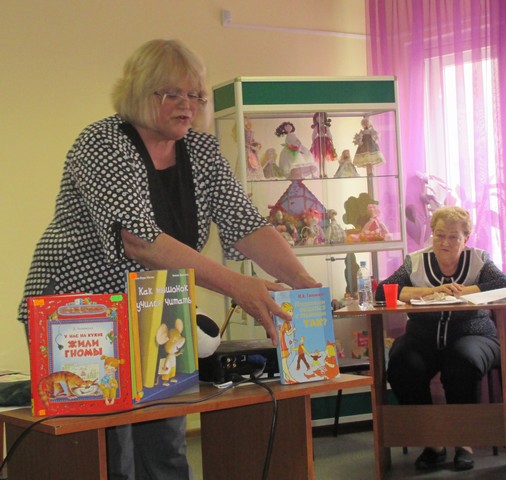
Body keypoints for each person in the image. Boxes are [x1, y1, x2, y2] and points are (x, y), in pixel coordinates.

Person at [17, 39, 321, 480]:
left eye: (195, 95)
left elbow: (247, 225)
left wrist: (303, 281)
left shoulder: (202, 151)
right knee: (106, 454)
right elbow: (139, 241)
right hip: (79, 312)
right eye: (172, 93)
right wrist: (238, 285)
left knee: (165, 449)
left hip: (156, 307)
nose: (187, 105)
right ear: (140, 92)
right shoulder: (102, 143)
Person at [375, 206, 506, 472]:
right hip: (423, 338)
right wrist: (433, 291)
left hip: (474, 335)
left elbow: (504, 285)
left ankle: (464, 443)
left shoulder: (479, 260)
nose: (444, 242)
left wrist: (461, 291)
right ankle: (432, 442)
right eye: (439, 235)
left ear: (466, 239)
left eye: (453, 237)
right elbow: (384, 291)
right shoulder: (416, 261)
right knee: (402, 363)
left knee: (462, 361)